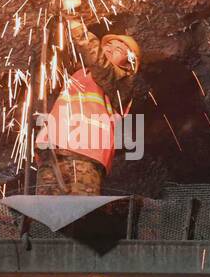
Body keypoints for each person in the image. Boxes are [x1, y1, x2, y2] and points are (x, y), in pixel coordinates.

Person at [35, 18, 140, 195]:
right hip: (52, 151)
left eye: (118, 50)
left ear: (129, 64)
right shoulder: (78, 74)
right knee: (47, 213)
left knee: (79, 212)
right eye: (107, 45)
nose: (109, 49)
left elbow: (96, 58)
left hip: (86, 154)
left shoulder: (120, 81)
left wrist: (75, 23)